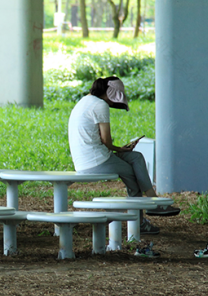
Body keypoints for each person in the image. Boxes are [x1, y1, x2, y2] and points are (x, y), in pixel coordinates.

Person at [67, 76, 179, 235]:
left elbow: (100, 141)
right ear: (109, 93)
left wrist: (121, 150)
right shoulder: (100, 105)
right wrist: (118, 149)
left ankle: (152, 199)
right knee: (132, 174)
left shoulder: (85, 101)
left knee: (136, 157)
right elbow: (106, 140)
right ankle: (141, 221)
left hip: (86, 160)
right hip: (96, 161)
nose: (114, 103)